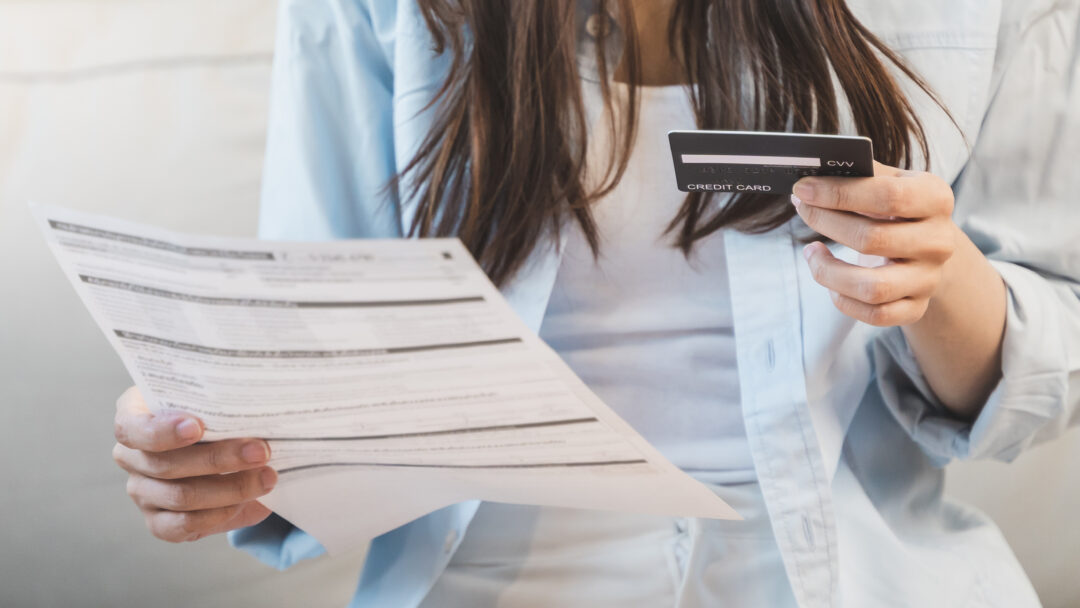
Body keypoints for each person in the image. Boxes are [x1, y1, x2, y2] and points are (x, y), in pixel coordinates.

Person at [110, 0, 1080, 606]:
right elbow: (308, 346)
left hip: (863, 574)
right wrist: (208, 432)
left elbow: (1051, 353)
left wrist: (941, 277)